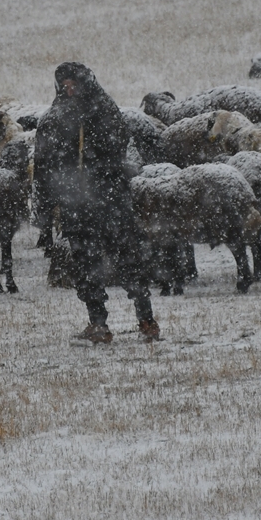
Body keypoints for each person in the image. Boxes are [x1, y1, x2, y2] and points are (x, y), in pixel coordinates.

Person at [33, 62, 160, 343]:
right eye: (64, 84)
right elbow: (45, 164)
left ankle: (146, 319)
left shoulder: (97, 111)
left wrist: (94, 166)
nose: (69, 89)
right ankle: (99, 324)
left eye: (73, 83)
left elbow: (115, 147)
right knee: (88, 263)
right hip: (82, 202)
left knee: (127, 257)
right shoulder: (72, 113)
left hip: (106, 199)